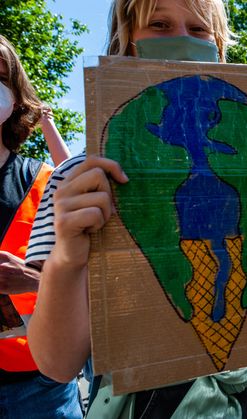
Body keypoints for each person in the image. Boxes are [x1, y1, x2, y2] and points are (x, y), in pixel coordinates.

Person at [25, 1, 247, 417]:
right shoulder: (79, 182)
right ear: (127, 42)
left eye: (198, 28)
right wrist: (65, 258)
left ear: (220, 47)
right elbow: (59, 364)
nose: (181, 39)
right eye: (159, 24)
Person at [0, 35, 77, 419]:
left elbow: (98, 286)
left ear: (14, 98)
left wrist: (32, 281)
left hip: (39, 387)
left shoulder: (49, 181)